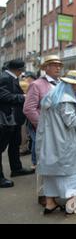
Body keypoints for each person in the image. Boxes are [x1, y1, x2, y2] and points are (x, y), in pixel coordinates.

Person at [35, 71, 76, 215]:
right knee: (69, 174)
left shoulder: (51, 96)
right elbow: (71, 121)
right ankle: (72, 206)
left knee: (51, 174)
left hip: (49, 142)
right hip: (64, 143)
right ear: (73, 84)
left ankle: (50, 203)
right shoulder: (66, 99)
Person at [23, 55, 63, 206]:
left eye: (59, 65)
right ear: (46, 67)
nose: (58, 67)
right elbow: (28, 109)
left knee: (57, 162)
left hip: (60, 132)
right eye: (54, 64)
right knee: (45, 162)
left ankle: (54, 194)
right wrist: (43, 126)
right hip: (46, 132)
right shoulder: (37, 84)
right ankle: (44, 196)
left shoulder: (61, 83)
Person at [0, 60, 34, 188]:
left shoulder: (10, 77)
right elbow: (3, 96)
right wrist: (23, 97)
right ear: (18, 69)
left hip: (13, 119)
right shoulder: (4, 78)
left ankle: (16, 169)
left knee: (15, 145)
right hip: (6, 119)